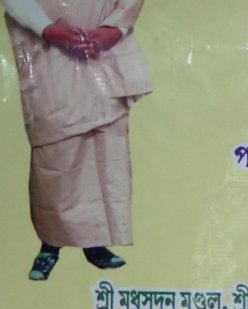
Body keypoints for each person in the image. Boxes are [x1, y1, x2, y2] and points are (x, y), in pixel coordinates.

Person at [2, 0, 149, 280]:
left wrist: (113, 30)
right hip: (46, 48)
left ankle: (95, 242)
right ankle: (50, 244)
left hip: (105, 50)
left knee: (104, 151)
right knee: (55, 155)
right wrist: (46, 28)